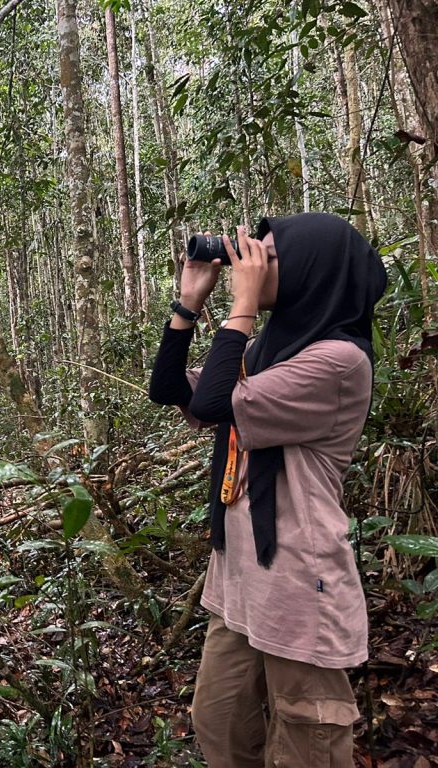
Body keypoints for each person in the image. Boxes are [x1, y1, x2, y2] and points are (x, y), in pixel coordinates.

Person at [148, 213, 388, 767]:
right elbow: (170, 390)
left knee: (306, 742)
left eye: (270, 259)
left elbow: (212, 404)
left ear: (314, 271)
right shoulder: (263, 356)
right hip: (240, 580)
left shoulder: (338, 362)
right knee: (219, 721)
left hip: (301, 583)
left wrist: (243, 306)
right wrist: (188, 304)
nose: (250, 266)